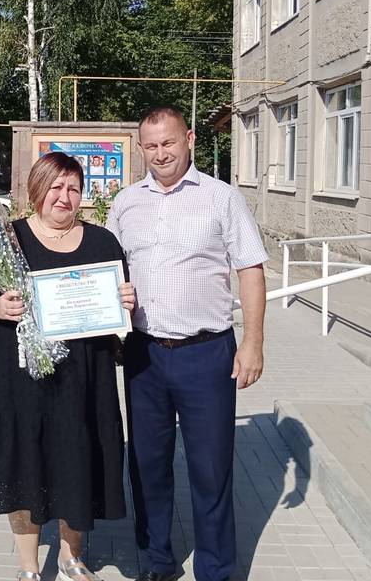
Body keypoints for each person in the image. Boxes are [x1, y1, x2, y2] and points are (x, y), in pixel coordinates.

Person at [0, 151, 135, 581]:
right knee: (23, 460)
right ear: (37, 189)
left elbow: (118, 301)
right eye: (55, 187)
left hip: (83, 376)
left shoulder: (102, 242)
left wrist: (126, 301)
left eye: (73, 188)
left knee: (76, 457)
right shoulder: (7, 239)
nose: (64, 196)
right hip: (17, 375)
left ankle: (71, 557)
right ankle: (28, 566)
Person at [106, 106, 268, 581]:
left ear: (189, 139)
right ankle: (158, 559)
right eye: (151, 146)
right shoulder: (125, 203)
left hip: (207, 354)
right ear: (141, 149)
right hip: (144, 356)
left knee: (211, 469)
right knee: (147, 464)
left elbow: (251, 269)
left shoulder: (222, 198)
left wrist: (253, 342)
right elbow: (109, 270)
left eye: (169, 143)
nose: (161, 154)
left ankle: (215, 569)